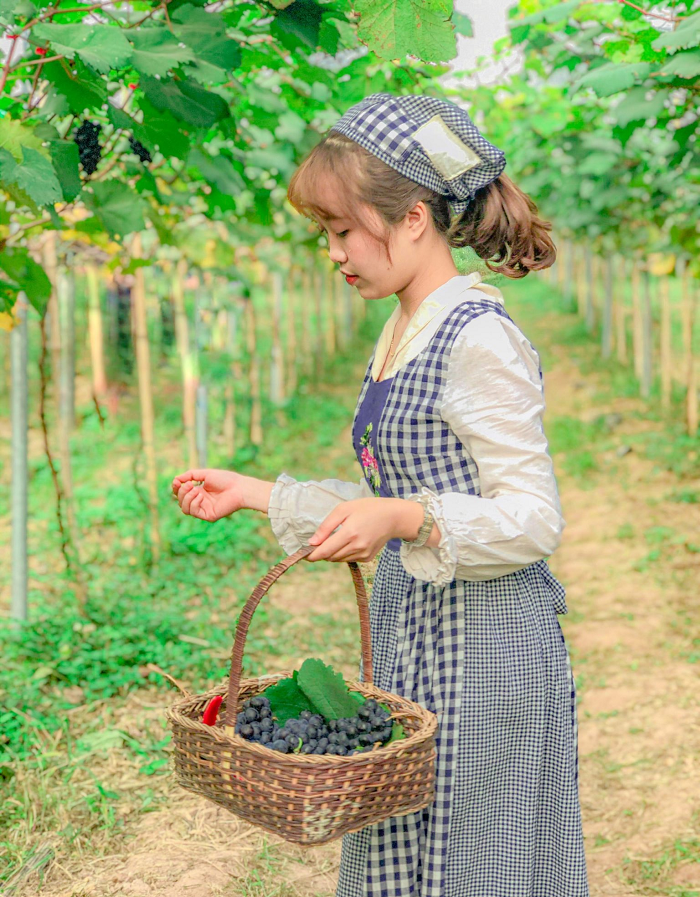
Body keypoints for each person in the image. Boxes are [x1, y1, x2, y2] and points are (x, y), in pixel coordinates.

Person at [172, 93, 588, 897]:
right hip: (420, 634)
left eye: (340, 230)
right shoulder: (405, 325)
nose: (332, 252)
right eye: (324, 234)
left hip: (487, 645)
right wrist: (256, 492)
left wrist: (408, 519)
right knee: (407, 843)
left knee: (471, 856)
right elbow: (390, 491)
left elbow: (534, 517)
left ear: (413, 219)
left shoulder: (476, 336)